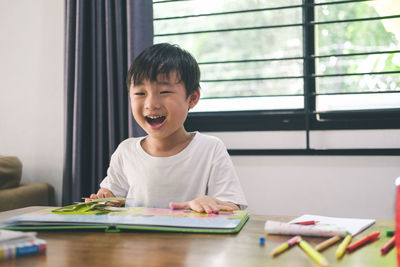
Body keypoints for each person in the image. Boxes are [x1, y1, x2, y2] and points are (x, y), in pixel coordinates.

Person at [86, 43, 247, 213]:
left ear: (192, 98)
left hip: (190, 238)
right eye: (140, 93)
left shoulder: (210, 148)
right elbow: (112, 195)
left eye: (164, 92)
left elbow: (233, 207)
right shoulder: (126, 151)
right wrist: (104, 198)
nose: (151, 104)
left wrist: (211, 202)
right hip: (136, 239)